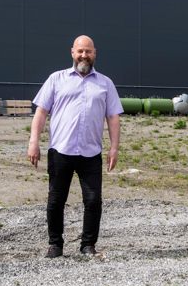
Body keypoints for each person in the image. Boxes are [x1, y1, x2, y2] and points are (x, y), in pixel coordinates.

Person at [27, 35, 122, 257]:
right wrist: (34, 142)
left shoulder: (105, 84)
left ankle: (88, 245)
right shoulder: (56, 79)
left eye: (88, 51)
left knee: (93, 200)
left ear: (95, 53)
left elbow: (113, 118)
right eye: (80, 51)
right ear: (72, 52)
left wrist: (114, 147)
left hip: (91, 153)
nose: (84, 55)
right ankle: (55, 245)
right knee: (56, 200)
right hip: (61, 150)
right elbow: (41, 112)